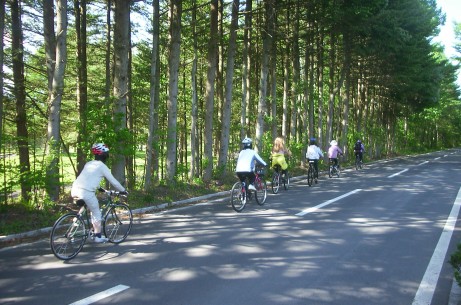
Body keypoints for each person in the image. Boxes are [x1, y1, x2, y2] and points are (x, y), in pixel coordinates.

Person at [71, 143, 127, 243]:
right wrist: (123, 190)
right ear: (103, 155)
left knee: (86, 206)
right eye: (107, 153)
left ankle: (74, 225)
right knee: (96, 212)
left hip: (75, 189)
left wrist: (99, 188)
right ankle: (97, 236)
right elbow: (113, 181)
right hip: (86, 192)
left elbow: (89, 178)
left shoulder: (89, 163)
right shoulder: (102, 166)